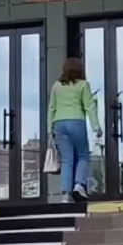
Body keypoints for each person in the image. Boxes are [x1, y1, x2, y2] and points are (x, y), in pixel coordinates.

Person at [47, 57, 103, 202]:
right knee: (83, 155)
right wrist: (96, 127)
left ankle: (66, 194)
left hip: (59, 124)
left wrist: (49, 130)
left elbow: (51, 109)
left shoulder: (57, 86)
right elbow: (89, 106)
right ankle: (79, 185)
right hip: (76, 122)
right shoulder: (83, 85)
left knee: (67, 160)